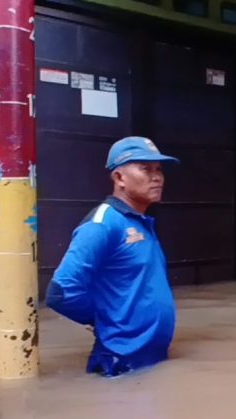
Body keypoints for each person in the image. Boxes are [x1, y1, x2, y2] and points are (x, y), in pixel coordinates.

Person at [46, 136, 179, 377]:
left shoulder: (140, 222)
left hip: (151, 356)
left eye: (159, 169)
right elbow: (61, 291)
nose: (157, 176)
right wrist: (104, 320)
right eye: (145, 169)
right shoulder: (103, 223)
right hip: (120, 361)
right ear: (119, 178)